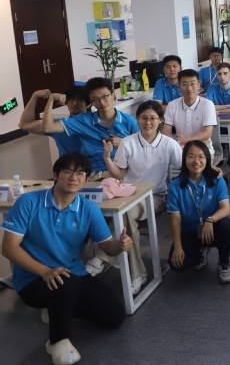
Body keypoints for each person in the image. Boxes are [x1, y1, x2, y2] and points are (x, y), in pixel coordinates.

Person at [1, 152, 132, 364]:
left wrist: (120, 245)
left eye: (80, 173)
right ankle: (57, 341)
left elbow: (108, 246)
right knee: (66, 283)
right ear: (56, 174)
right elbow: (9, 248)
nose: (74, 177)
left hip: (72, 274)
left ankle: (55, 308)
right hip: (33, 278)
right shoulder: (28, 202)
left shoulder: (88, 209)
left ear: (86, 179)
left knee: (113, 316)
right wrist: (45, 271)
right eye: (67, 171)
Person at [101, 101, 183, 295]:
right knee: (117, 215)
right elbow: (119, 174)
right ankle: (136, 272)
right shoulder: (128, 142)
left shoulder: (169, 144)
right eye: (144, 118)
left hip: (156, 196)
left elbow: (185, 167)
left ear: (160, 120)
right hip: (128, 195)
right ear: (137, 119)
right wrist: (107, 158)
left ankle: (104, 257)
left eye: (153, 118)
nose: (148, 122)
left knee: (126, 214)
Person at [167, 141, 230, 284]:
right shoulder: (174, 186)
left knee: (226, 225)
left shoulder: (217, 179)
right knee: (177, 265)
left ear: (207, 159)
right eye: (191, 156)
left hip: (212, 228)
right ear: (184, 159)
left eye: (201, 157)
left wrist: (210, 220)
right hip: (190, 231)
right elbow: (175, 220)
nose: (196, 161)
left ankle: (224, 262)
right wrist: (178, 247)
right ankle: (200, 253)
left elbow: (226, 209)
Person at [42, 77, 139, 177]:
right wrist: (51, 99)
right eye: (95, 99)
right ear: (91, 102)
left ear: (113, 95)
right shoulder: (84, 120)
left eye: (105, 96)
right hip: (94, 173)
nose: (101, 102)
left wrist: (123, 142)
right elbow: (48, 127)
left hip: (123, 172)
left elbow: (143, 147)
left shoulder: (128, 121)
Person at [161, 69, 218, 156]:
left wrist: (186, 141)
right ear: (179, 87)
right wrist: (174, 141)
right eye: (184, 84)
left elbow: (207, 133)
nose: (189, 88)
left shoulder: (207, 104)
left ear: (199, 85)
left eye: (192, 84)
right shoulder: (172, 105)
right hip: (179, 150)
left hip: (203, 151)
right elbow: (166, 131)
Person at [18, 87, 88, 156]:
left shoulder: (90, 123)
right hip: (66, 163)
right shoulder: (57, 124)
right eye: (71, 99)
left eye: (80, 99)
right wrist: (34, 96)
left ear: (88, 104)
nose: (75, 103)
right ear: (66, 102)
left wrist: (51, 99)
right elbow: (24, 124)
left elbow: (47, 128)